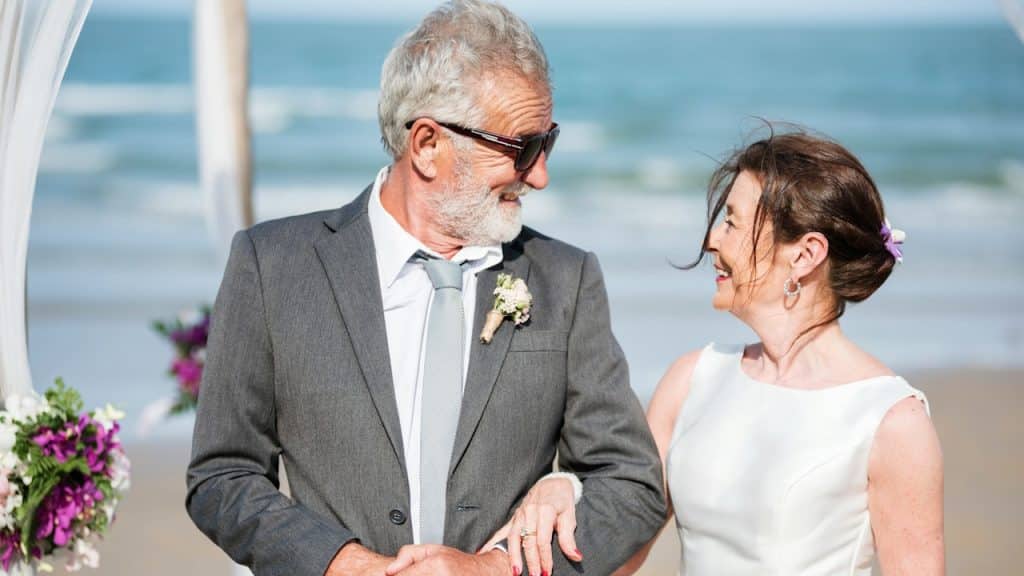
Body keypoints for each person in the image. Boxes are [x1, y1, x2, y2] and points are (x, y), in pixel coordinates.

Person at [185, 1, 666, 575]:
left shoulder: (566, 278)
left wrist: (494, 568)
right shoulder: (272, 266)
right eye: (523, 148)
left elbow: (632, 485)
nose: (539, 175)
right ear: (428, 146)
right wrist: (344, 563)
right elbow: (222, 475)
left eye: (548, 144)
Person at [496, 129, 945, 576]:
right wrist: (561, 485)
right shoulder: (691, 380)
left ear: (806, 255)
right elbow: (620, 543)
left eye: (731, 221)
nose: (712, 240)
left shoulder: (892, 421)